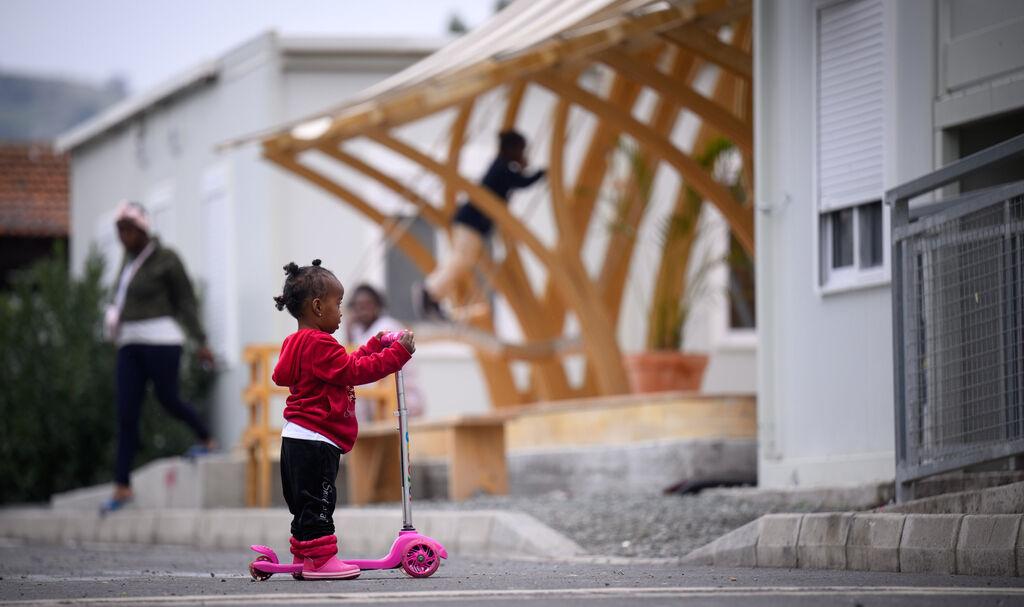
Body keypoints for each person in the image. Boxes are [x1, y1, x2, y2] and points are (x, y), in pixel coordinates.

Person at [272, 259, 414, 580]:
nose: (341, 312)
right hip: (316, 440)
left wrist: (375, 345)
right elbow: (354, 372)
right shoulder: (319, 343)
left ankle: (305, 555)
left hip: (297, 438)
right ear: (318, 306)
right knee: (321, 501)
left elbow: (344, 367)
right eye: (338, 304)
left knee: (304, 504)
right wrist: (397, 356)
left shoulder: (298, 343)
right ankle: (321, 561)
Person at [101, 201, 215, 514]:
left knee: (168, 398)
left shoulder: (167, 259)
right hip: (129, 343)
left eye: (127, 230)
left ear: (142, 229)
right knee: (126, 412)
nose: (123, 236)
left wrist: (201, 341)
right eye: (119, 231)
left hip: (162, 341)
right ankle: (122, 485)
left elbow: (186, 301)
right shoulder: (127, 263)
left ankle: (206, 437)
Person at [416, 129, 546, 320]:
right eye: (521, 150)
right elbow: (522, 181)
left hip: (471, 224)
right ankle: (430, 291)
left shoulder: (502, 167)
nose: (522, 155)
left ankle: (435, 295)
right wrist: (542, 173)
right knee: (461, 259)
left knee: (462, 260)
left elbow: (517, 180)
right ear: (511, 149)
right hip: (471, 223)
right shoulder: (502, 167)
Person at [345, 284, 425, 420]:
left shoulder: (386, 326)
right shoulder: (358, 330)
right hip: (378, 405)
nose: (362, 310)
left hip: (401, 400)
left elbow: (368, 365)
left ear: (378, 306)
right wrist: (348, 330)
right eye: (358, 306)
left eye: (367, 305)